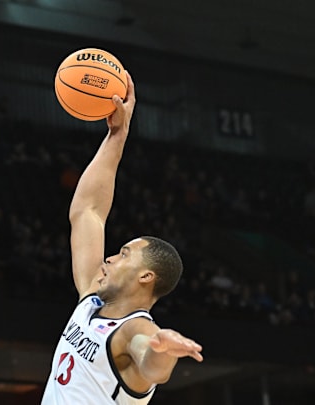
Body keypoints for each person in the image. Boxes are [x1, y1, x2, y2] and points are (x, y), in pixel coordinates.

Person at [41, 72, 203, 404]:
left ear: (147, 276)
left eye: (125, 254)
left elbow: (150, 364)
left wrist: (163, 351)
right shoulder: (91, 295)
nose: (111, 258)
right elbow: (88, 211)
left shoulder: (136, 330)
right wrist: (118, 134)